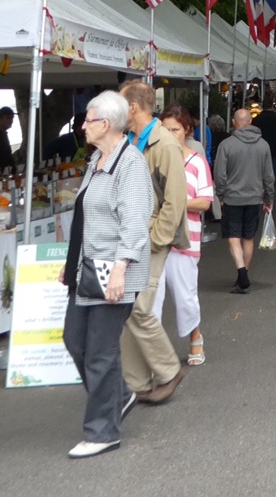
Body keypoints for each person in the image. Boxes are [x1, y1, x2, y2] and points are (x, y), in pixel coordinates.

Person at [60, 90, 154, 458]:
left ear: (107, 124)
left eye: (87, 119)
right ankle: (119, 395)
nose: (82, 125)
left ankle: (102, 431)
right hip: (86, 270)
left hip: (114, 271)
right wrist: (70, 265)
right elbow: (87, 217)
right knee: (75, 341)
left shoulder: (129, 164)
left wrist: (120, 269)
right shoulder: (97, 160)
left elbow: (133, 222)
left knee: (99, 351)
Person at [118, 81, 188, 405]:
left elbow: (175, 200)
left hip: (149, 238)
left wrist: (158, 238)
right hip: (133, 235)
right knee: (129, 307)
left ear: (133, 107)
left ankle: (169, 370)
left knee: (139, 307)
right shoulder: (132, 139)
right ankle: (137, 383)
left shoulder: (164, 144)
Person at [155, 106, 213, 368]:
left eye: (175, 129)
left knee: (184, 295)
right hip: (156, 237)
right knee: (151, 297)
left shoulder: (197, 161)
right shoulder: (154, 158)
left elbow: (205, 202)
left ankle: (195, 338)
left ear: (187, 130)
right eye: (165, 130)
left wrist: (177, 201)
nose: (170, 134)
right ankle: (153, 352)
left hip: (186, 237)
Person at [214, 107, 274, 292]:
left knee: (233, 236)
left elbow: (219, 175)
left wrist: (221, 194)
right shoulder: (263, 145)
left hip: (232, 198)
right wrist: (269, 198)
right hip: (255, 197)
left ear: (234, 122)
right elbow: (269, 176)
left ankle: (241, 273)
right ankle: (244, 273)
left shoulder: (226, 145)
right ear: (250, 122)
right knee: (248, 237)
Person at [252, 98, 276, 196]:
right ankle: (270, 190)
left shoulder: (257, 119)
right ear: (272, 106)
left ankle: (261, 189)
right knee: (272, 171)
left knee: (260, 170)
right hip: (274, 147)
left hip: (259, 148)